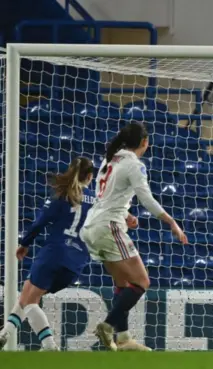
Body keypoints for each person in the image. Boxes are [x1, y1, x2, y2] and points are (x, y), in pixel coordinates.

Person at [80, 122, 188, 351]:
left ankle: (124, 338)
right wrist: (172, 223)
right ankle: (108, 326)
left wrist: (126, 213)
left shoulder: (109, 159)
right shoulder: (133, 165)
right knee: (141, 281)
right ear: (144, 142)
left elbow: (105, 196)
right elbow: (147, 199)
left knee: (123, 283)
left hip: (91, 225)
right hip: (108, 226)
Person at [0, 157, 96, 351]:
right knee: (27, 292)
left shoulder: (62, 194)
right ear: (90, 176)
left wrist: (24, 244)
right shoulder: (97, 200)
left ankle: (48, 344)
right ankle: (5, 333)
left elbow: (40, 222)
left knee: (29, 301)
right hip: (76, 264)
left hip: (54, 253)